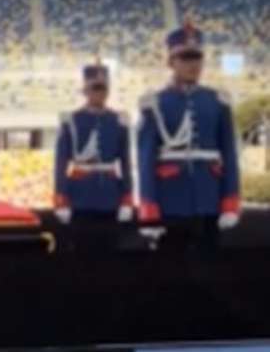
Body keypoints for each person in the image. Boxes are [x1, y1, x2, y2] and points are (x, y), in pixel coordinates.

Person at [137, 21, 241, 253]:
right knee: (170, 276)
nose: (193, 64)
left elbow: (230, 155)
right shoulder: (154, 103)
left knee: (210, 272)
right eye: (185, 57)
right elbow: (145, 159)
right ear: (170, 62)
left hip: (209, 200)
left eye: (197, 57)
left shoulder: (217, 101)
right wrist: (149, 208)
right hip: (170, 201)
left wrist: (230, 201)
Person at [53, 61, 133, 251]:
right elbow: (61, 162)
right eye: (95, 88)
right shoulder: (72, 121)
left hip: (110, 197)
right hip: (80, 196)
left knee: (110, 250)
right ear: (85, 90)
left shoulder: (118, 120)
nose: (99, 93)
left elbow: (125, 162)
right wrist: (61, 198)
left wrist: (126, 198)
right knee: (81, 251)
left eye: (103, 88)